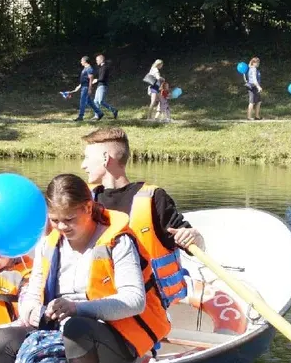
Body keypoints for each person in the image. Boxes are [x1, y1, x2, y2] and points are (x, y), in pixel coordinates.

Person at [0, 174, 172, 363]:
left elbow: (135, 301)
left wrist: (76, 308)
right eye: (55, 220)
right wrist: (34, 312)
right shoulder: (48, 245)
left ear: (88, 208)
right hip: (60, 334)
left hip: (113, 338)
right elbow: (32, 294)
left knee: (77, 328)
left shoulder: (118, 242)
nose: (62, 227)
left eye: (69, 220)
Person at [81, 127, 202, 305]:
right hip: (99, 302)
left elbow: (194, 243)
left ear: (106, 159)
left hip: (148, 304)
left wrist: (195, 236)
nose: (83, 165)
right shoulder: (85, 200)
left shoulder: (154, 198)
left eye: (87, 158)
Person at [63, 56, 102, 122]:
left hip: (86, 88)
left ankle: (80, 116)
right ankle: (99, 113)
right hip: (83, 86)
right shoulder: (85, 68)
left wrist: (90, 89)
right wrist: (78, 87)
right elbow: (84, 79)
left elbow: (90, 79)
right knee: (89, 102)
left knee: (82, 102)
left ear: (85, 61)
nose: (81, 62)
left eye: (81, 61)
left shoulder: (89, 69)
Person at [92, 54, 119, 119]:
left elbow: (102, 78)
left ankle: (114, 110)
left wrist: (96, 80)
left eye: (97, 60)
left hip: (103, 86)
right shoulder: (101, 68)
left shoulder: (105, 67)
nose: (96, 61)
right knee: (95, 101)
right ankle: (97, 115)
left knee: (101, 101)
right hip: (99, 86)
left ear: (101, 60)